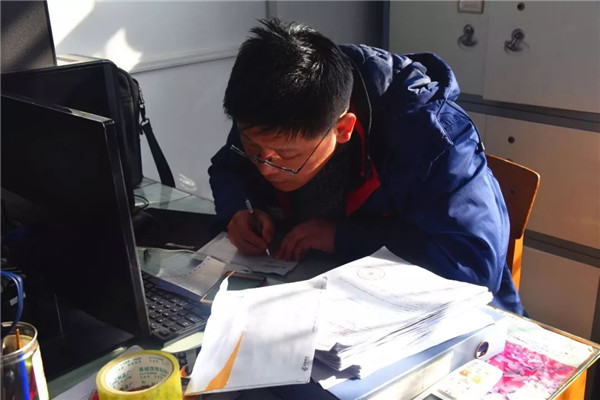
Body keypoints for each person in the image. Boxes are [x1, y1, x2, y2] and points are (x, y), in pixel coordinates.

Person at [208, 18, 523, 314]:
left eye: (286, 157)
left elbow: (472, 268)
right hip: (320, 293)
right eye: (253, 147)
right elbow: (229, 168)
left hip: (446, 321)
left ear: (343, 128)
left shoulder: (434, 140)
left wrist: (342, 238)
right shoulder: (270, 113)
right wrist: (238, 209)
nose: (265, 167)